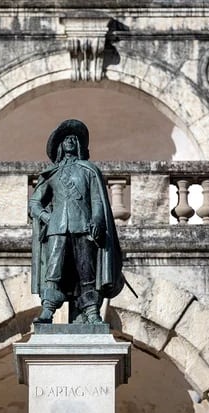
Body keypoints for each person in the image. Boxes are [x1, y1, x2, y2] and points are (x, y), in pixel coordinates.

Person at [29, 119, 123, 324]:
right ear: (60, 146)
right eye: (66, 139)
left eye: (74, 138)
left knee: (86, 270)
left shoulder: (89, 171)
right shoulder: (51, 174)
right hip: (57, 228)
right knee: (53, 270)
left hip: (83, 227)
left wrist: (97, 220)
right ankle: (48, 310)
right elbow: (35, 203)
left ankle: (91, 312)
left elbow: (97, 200)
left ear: (80, 145)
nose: (70, 141)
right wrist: (48, 217)